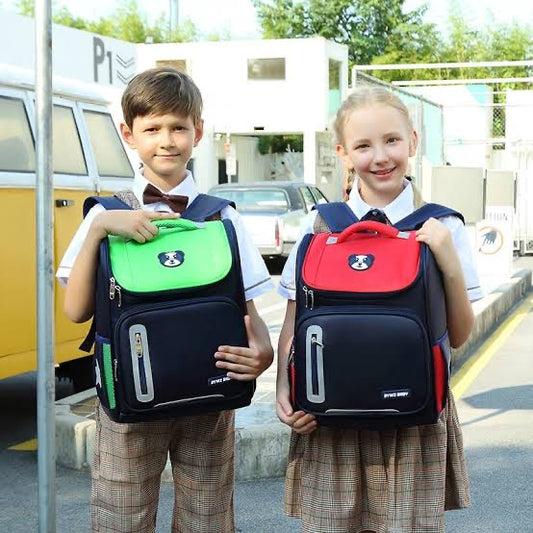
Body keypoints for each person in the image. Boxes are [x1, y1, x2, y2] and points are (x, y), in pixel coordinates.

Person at [56, 67, 274, 533]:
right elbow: (75, 311)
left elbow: (250, 314)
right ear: (129, 134)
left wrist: (262, 354)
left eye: (178, 127)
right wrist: (99, 229)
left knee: (207, 518)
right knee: (121, 517)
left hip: (210, 393)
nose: (167, 141)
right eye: (152, 129)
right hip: (130, 397)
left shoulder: (221, 217)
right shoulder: (105, 214)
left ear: (198, 131)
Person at [276, 85, 484, 533]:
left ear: (413, 140)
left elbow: (460, 333)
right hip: (331, 415)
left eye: (391, 140)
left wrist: (447, 261)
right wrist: (283, 387)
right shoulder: (321, 225)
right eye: (363, 146)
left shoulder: (441, 225)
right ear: (343, 153)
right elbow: (295, 319)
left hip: (412, 418)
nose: (381, 157)